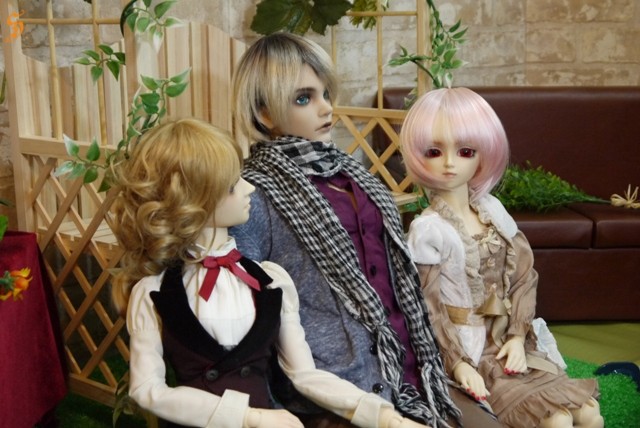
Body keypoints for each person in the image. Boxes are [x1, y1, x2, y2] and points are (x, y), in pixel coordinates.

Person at [230, 32, 502, 428]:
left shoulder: (354, 175)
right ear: (265, 113)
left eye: (326, 93)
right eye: (304, 98)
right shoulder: (253, 195)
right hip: (337, 389)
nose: (326, 108)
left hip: (413, 370)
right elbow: (240, 310)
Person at [111, 118, 428, 428]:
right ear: (194, 201)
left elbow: (305, 375)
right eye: (233, 186)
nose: (249, 188)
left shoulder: (271, 281)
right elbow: (147, 390)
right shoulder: (153, 293)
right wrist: (249, 418)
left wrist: (383, 417)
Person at [400, 87, 604, 428]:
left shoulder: (492, 210)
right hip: (469, 350)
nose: (449, 162)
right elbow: (427, 309)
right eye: (434, 151)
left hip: (508, 341)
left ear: (483, 153)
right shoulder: (428, 231)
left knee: (589, 414)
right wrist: (458, 363)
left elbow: (524, 277)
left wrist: (517, 336)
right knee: (557, 421)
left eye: (465, 151)